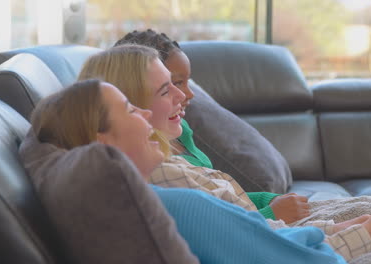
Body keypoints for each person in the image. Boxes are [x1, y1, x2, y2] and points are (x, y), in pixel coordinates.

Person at [77, 44, 371, 261]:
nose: (185, 97)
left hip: (303, 241)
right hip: (317, 251)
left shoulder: (168, 169)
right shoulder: (174, 190)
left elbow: (264, 236)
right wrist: (364, 234)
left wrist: (345, 227)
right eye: (167, 90)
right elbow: (271, 251)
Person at [29, 78, 348, 263]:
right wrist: (360, 234)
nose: (144, 113)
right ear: (102, 141)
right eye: (130, 108)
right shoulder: (178, 205)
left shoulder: (138, 203)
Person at [113, 29, 310, 224]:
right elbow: (209, 224)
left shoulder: (182, 131)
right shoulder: (162, 168)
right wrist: (270, 213)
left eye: (185, 82)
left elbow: (223, 195)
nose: (187, 94)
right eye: (175, 83)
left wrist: (269, 200)